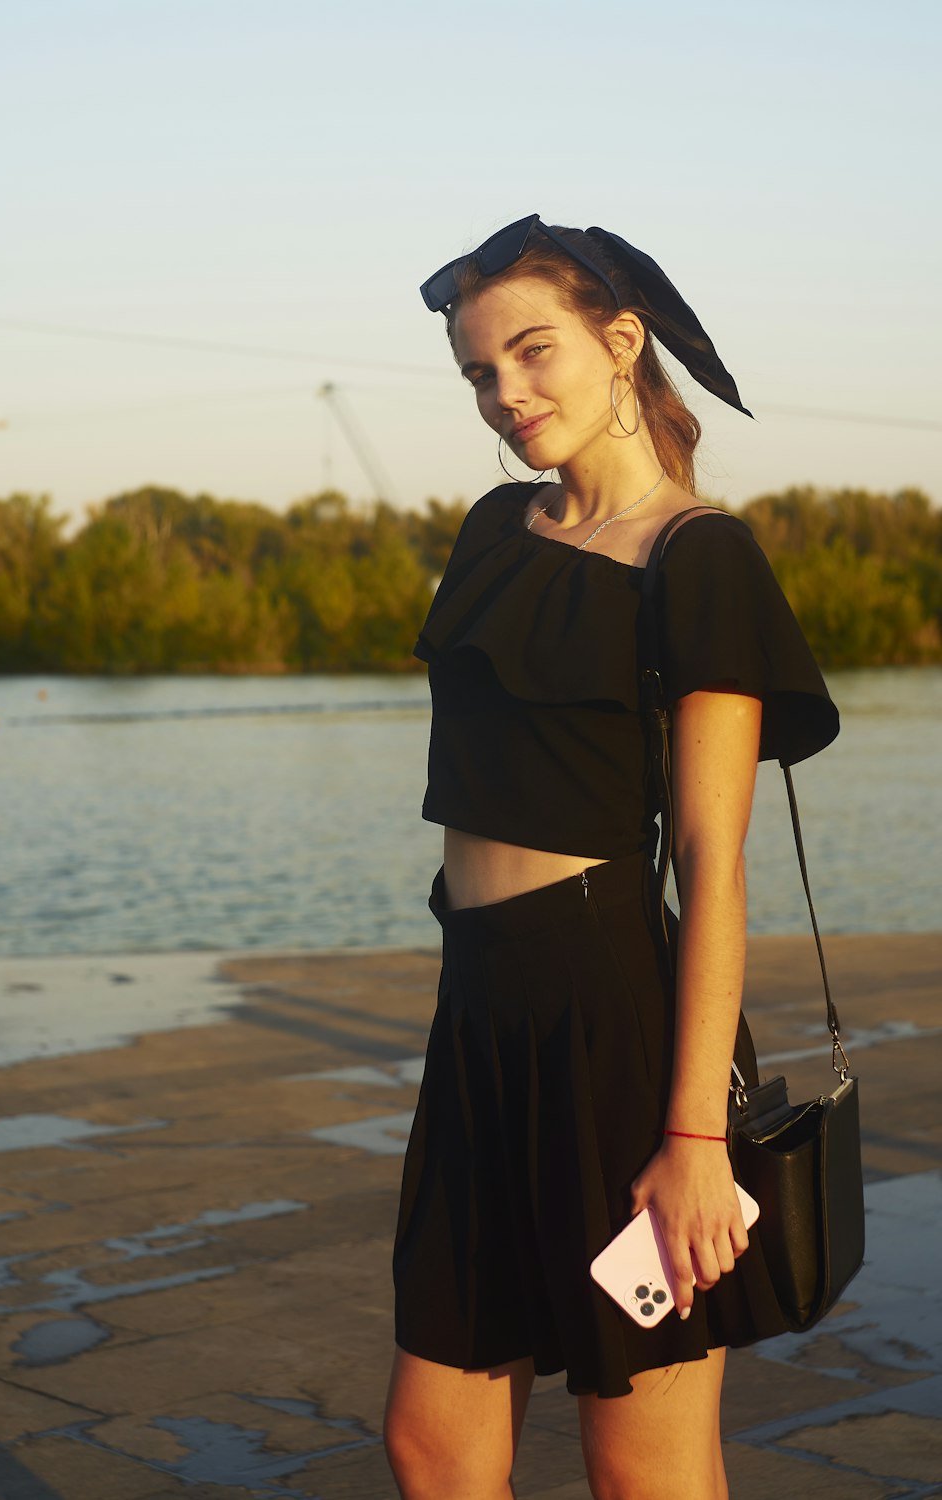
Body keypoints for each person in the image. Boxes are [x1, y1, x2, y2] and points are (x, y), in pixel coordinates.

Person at [383, 216, 839, 1500]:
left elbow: (712, 862)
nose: (505, 393)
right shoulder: (491, 532)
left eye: (531, 353)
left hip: (617, 1035)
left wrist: (695, 1131)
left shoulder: (699, 561)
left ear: (620, 342)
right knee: (431, 1436)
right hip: (476, 1014)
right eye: (478, 372)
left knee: (639, 1457)